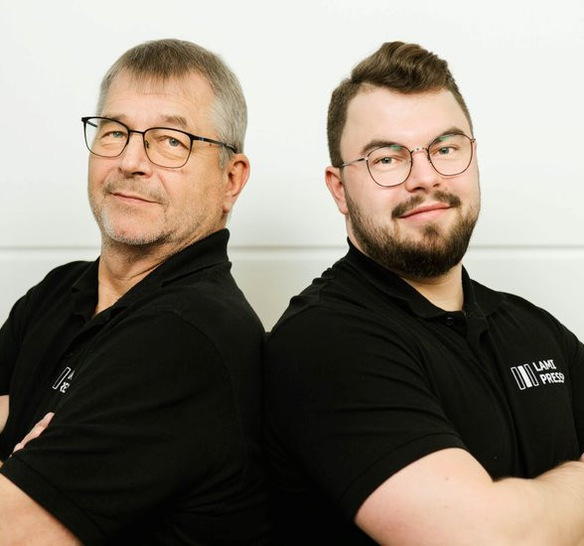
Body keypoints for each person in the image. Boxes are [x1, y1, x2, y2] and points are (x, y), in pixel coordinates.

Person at [264, 41, 584, 545]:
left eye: (446, 148)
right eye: (387, 158)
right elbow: (484, 538)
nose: (425, 177)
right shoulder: (323, 341)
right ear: (339, 189)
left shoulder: (533, 329)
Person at [0, 38, 272, 544]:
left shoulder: (190, 333)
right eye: (115, 131)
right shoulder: (58, 291)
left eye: (170, 140)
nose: (130, 161)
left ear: (231, 179)